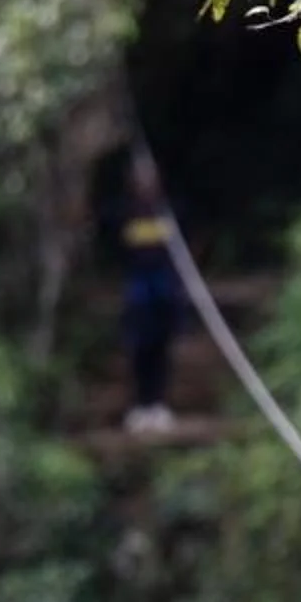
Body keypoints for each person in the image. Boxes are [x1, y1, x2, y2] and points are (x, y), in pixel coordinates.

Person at [114, 148, 182, 434]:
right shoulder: (124, 212)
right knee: (139, 347)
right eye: (140, 178)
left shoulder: (169, 211)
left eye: (149, 177)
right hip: (139, 288)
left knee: (161, 347)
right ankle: (141, 404)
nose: (145, 183)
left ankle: (158, 404)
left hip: (164, 287)